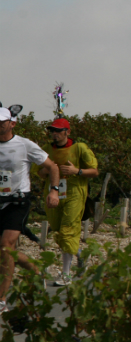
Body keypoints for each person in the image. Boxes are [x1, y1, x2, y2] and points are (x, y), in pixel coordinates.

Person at [1, 106, 60, 313]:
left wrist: (54, 192)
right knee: (7, 252)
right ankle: (36, 271)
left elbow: (53, 167)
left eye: (2, 122)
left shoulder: (24, 145)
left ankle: (1, 300)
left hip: (17, 202)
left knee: (6, 245)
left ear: (12, 123)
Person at [38, 118, 99, 286]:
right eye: (52, 131)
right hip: (53, 194)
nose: (55, 134)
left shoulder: (80, 148)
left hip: (75, 194)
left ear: (67, 132)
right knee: (58, 231)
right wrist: (47, 169)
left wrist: (76, 171)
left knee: (68, 232)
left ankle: (66, 275)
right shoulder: (46, 150)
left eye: (58, 131)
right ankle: (79, 254)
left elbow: (94, 171)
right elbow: (38, 172)